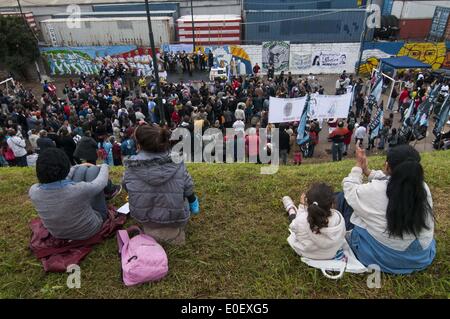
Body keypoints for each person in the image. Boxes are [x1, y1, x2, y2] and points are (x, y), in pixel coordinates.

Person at [338, 144, 435, 274]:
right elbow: (393, 179)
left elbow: (349, 189)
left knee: (343, 200)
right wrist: (368, 171)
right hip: (420, 257)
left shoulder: (375, 190)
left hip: (384, 259)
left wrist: (358, 167)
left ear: (387, 166)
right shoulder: (423, 188)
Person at [122, 124, 200, 245]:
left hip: (144, 217)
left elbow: (127, 188)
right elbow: (188, 189)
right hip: (176, 217)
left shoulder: (130, 168)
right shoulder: (177, 163)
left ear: (139, 145)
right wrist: (193, 201)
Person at [29, 148, 121, 240]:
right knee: (93, 170)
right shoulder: (78, 190)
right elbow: (101, 182)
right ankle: (111, 191)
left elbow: (63, 178)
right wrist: (104, 165)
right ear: (65, 167)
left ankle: (83, 169)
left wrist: (78, 166)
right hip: (90, 229)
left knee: (81, 169)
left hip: (58, 234)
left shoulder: (33, 191)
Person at [283, 183, 346, 260]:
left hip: (308, 254)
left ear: (307, 201)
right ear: (332, 204)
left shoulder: (302, 219)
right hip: (331, 253)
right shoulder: (338, 217)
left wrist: (302, 206)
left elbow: (293, 226)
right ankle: (291, 209)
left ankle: (291, 209)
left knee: (294, 221)